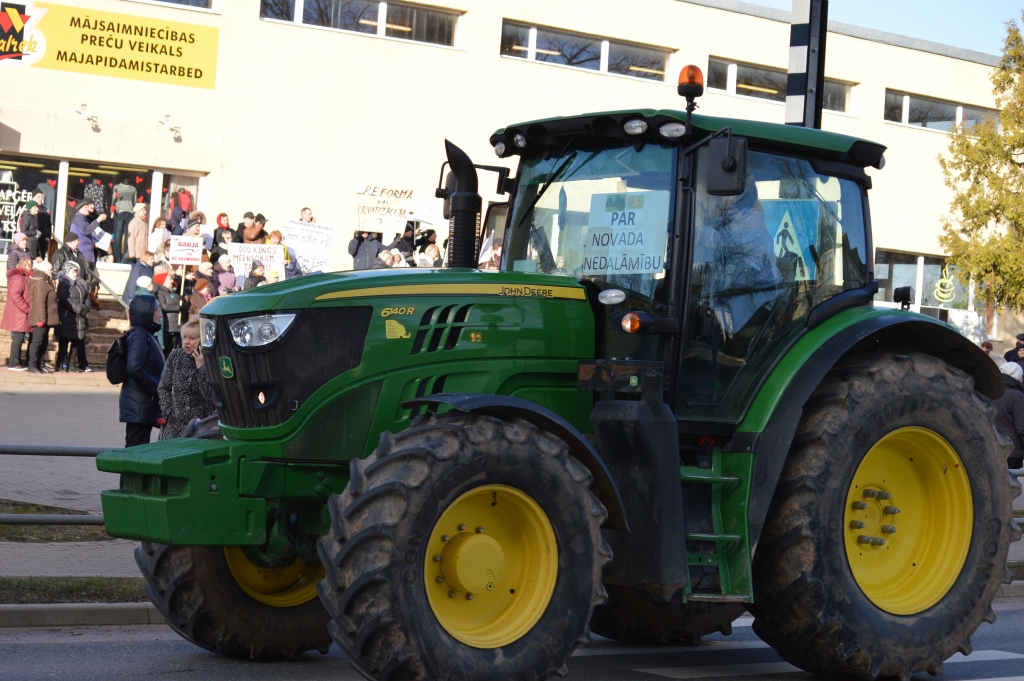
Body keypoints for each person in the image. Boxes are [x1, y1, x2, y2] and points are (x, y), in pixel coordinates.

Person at [157, 317, 213, 440]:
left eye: (192, 338)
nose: (186, 342)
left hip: (199, 425)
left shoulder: (210, 360)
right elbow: (163, 387)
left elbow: (209, 396)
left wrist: (201, 367)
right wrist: (168, 412)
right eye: (184, 337)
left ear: (202, 340)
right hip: (173, 425)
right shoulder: (175, 356)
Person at [120, 295, 165, 447]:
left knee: (137, 453)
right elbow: (134, 368)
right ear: (147, 313)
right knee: (134, 454)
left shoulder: (145, 334)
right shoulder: (139, 335)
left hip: (142, 405)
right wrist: (157, 388)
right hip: (138, 405)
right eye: (157, 311)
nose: (160, 314)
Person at [55, 261, 91, 372]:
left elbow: (86, 298)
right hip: (67, 318)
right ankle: (59, 364)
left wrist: (87, 307)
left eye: (77, 271)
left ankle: (72, 365)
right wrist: (80, 309)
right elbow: (65, 300)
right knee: (64, 343)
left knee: (76, 343)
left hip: (79, 319)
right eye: (74, 271)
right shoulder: (63, 284)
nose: (76, 274)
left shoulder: (80, 284)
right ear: (67, 272)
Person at [26, 260, 58, 374]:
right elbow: (40, 303)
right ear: (44, 270)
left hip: (47, 317)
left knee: (43, 342)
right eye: (50, 269)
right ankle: (32, 365)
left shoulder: (45, 281)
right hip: (40, 318)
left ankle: (40, 364)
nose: (52, 271)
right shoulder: (40, 282)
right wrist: (41, 319)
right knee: (37, 342)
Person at [1, 258, 33, 371]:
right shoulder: (19, 278)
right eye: (29, 265)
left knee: (19, 337)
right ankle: (13, 362)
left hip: (20, 313)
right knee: (18, 338)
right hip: (18, 313)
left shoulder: (24, 277)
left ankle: (17, 361)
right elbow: (15, 294)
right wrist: (27, 308)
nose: (31, 267)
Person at [994, 361, 1024, 469]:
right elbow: (1022, 426)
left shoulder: (992, 393)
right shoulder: (1018, 396)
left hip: (993, 446)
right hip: (1012, 449)